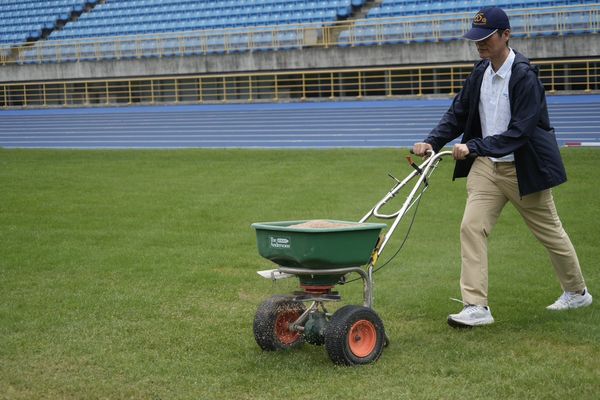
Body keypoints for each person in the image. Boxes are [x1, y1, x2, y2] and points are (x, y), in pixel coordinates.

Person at [412, 6, 592, 327]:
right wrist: (432, 142)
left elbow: (519, 133)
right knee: (471, 227)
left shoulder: (524, 76)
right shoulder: (480, 72)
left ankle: (577, 293)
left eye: (486, 38)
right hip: (487, 169)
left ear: (506, 35)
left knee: (550, 233)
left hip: (522, 169)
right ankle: (476, 306)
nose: (480, 44)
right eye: (476, 39)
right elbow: (457, 113)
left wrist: (473, 146)